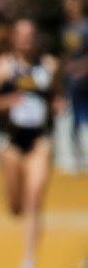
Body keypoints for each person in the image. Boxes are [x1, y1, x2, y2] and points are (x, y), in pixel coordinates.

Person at [0, 19, 62, 268]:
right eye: (22, 35)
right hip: (12, 143)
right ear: (14, 38)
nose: (27, 40)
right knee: (16, 206)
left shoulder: (49, 66)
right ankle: (18, 209)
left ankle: (29, 259)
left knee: (35, 199)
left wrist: (59, 105)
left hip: (40, 141)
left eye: (31, 35)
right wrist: (7, 102)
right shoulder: (4, 66)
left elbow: (58, 95)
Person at [63, 0, 88, 168]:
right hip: (73, 81)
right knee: (75, 119)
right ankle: (77, 158)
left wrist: (82, 67)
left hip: (85, 79)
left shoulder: (86, 27)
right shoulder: (67, 27)